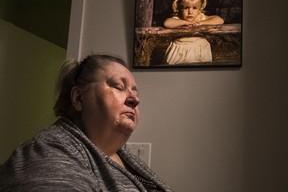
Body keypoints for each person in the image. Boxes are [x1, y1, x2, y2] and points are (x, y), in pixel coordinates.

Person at [0, 54, 172, 191]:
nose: (135, 99)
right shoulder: (48, 154)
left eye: (135, 92)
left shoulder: (126, 158)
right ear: (78, 98)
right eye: (119, 87)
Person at [163, 0, 224, 65]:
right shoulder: (178, 18)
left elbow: (219, 20)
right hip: (180, 49)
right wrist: (185, 22)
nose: (190, 12)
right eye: (186, 8)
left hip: (199, 47)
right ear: (179, 8)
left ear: (199, 10)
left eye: (194, 8)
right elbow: (167, 23)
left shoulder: (200, 17)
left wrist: (201, 23)